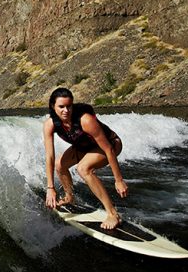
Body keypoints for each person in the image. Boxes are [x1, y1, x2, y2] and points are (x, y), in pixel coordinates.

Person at [43, 87, 128, 229]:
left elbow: (108, 149)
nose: (66, 110)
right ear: (53, 106)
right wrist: (50, 188)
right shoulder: (50, 125)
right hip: (83, 147)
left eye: (69, 106)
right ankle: (69, 197)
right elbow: (49, 156)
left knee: (83, 169)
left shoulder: (86, 120)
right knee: (59, 164)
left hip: (111, 144)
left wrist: (118, 180)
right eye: (61, 107)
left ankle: (113, 214)